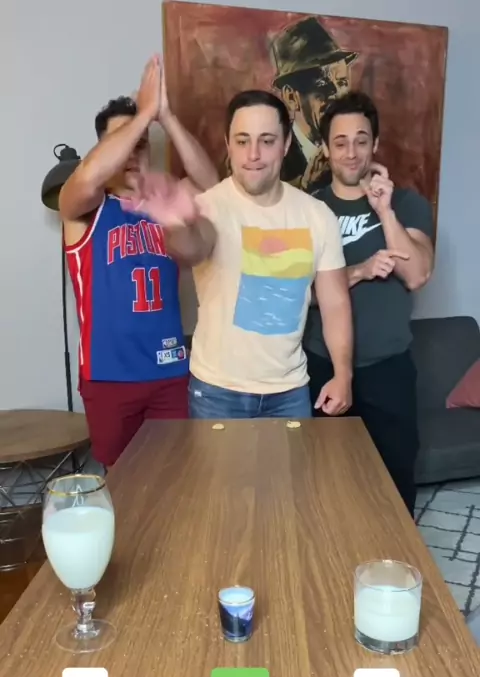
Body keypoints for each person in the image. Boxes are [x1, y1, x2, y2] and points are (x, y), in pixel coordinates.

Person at [123, 90, 353, 421]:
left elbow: (335, 303)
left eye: (267, 141)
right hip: (217, 393)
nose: (253, 154)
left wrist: (343, 374)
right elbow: (191, 249)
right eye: (242, 141)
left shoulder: (318, 216)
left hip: (290, 393)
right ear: (228, 145)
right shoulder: (208, 205)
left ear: (286, 143)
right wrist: (174, 222)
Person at [59, 55, 218, 468]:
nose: (132, 153)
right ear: (104, 150)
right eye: (122, 143)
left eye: (141, 143)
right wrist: (143, 114)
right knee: (123, 485)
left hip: (170, 371)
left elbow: (217, 192)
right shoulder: (86, 209)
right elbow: (88, 178)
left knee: (176, 480)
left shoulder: (167, 200)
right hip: (108, 377)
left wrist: (165, 116)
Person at [304, 91, 434, 516]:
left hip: (388, 367)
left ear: (375, 144)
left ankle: (395, 556)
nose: (351, 152)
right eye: (340, 142)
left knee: (394, 485)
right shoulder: (309, 209)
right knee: (324, 484)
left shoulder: (406, 204)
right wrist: (359, 270)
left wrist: (385, 211)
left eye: (361, 140)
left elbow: (417, 274)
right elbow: (299, 293)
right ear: (326, 149)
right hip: (322, 365)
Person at [270, 17, 358, 191]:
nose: (338, 96)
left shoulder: (357, 149)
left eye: (342, 83)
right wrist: (306, 187)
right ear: (291, 97)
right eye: (322, 86)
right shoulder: (267, 153)